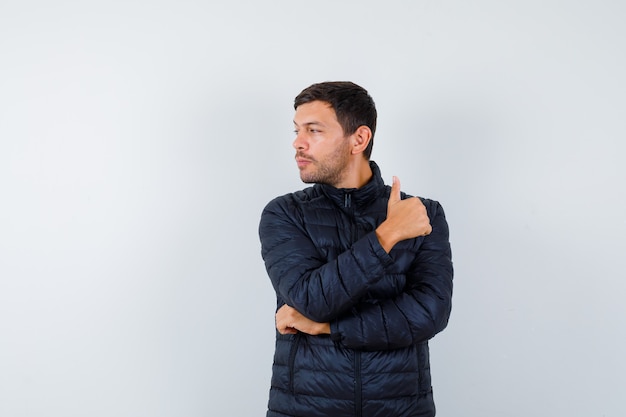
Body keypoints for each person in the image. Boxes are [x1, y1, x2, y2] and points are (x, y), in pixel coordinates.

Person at [258, 81, 453, 417]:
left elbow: (429, 314)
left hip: (402, 409)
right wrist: (387, 235)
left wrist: (329, 328)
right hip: (304, 410)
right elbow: (311, 300)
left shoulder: (423, 214)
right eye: (297, 130)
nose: (297, 142)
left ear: (359, 139)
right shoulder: (285, 214)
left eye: (313, 130)